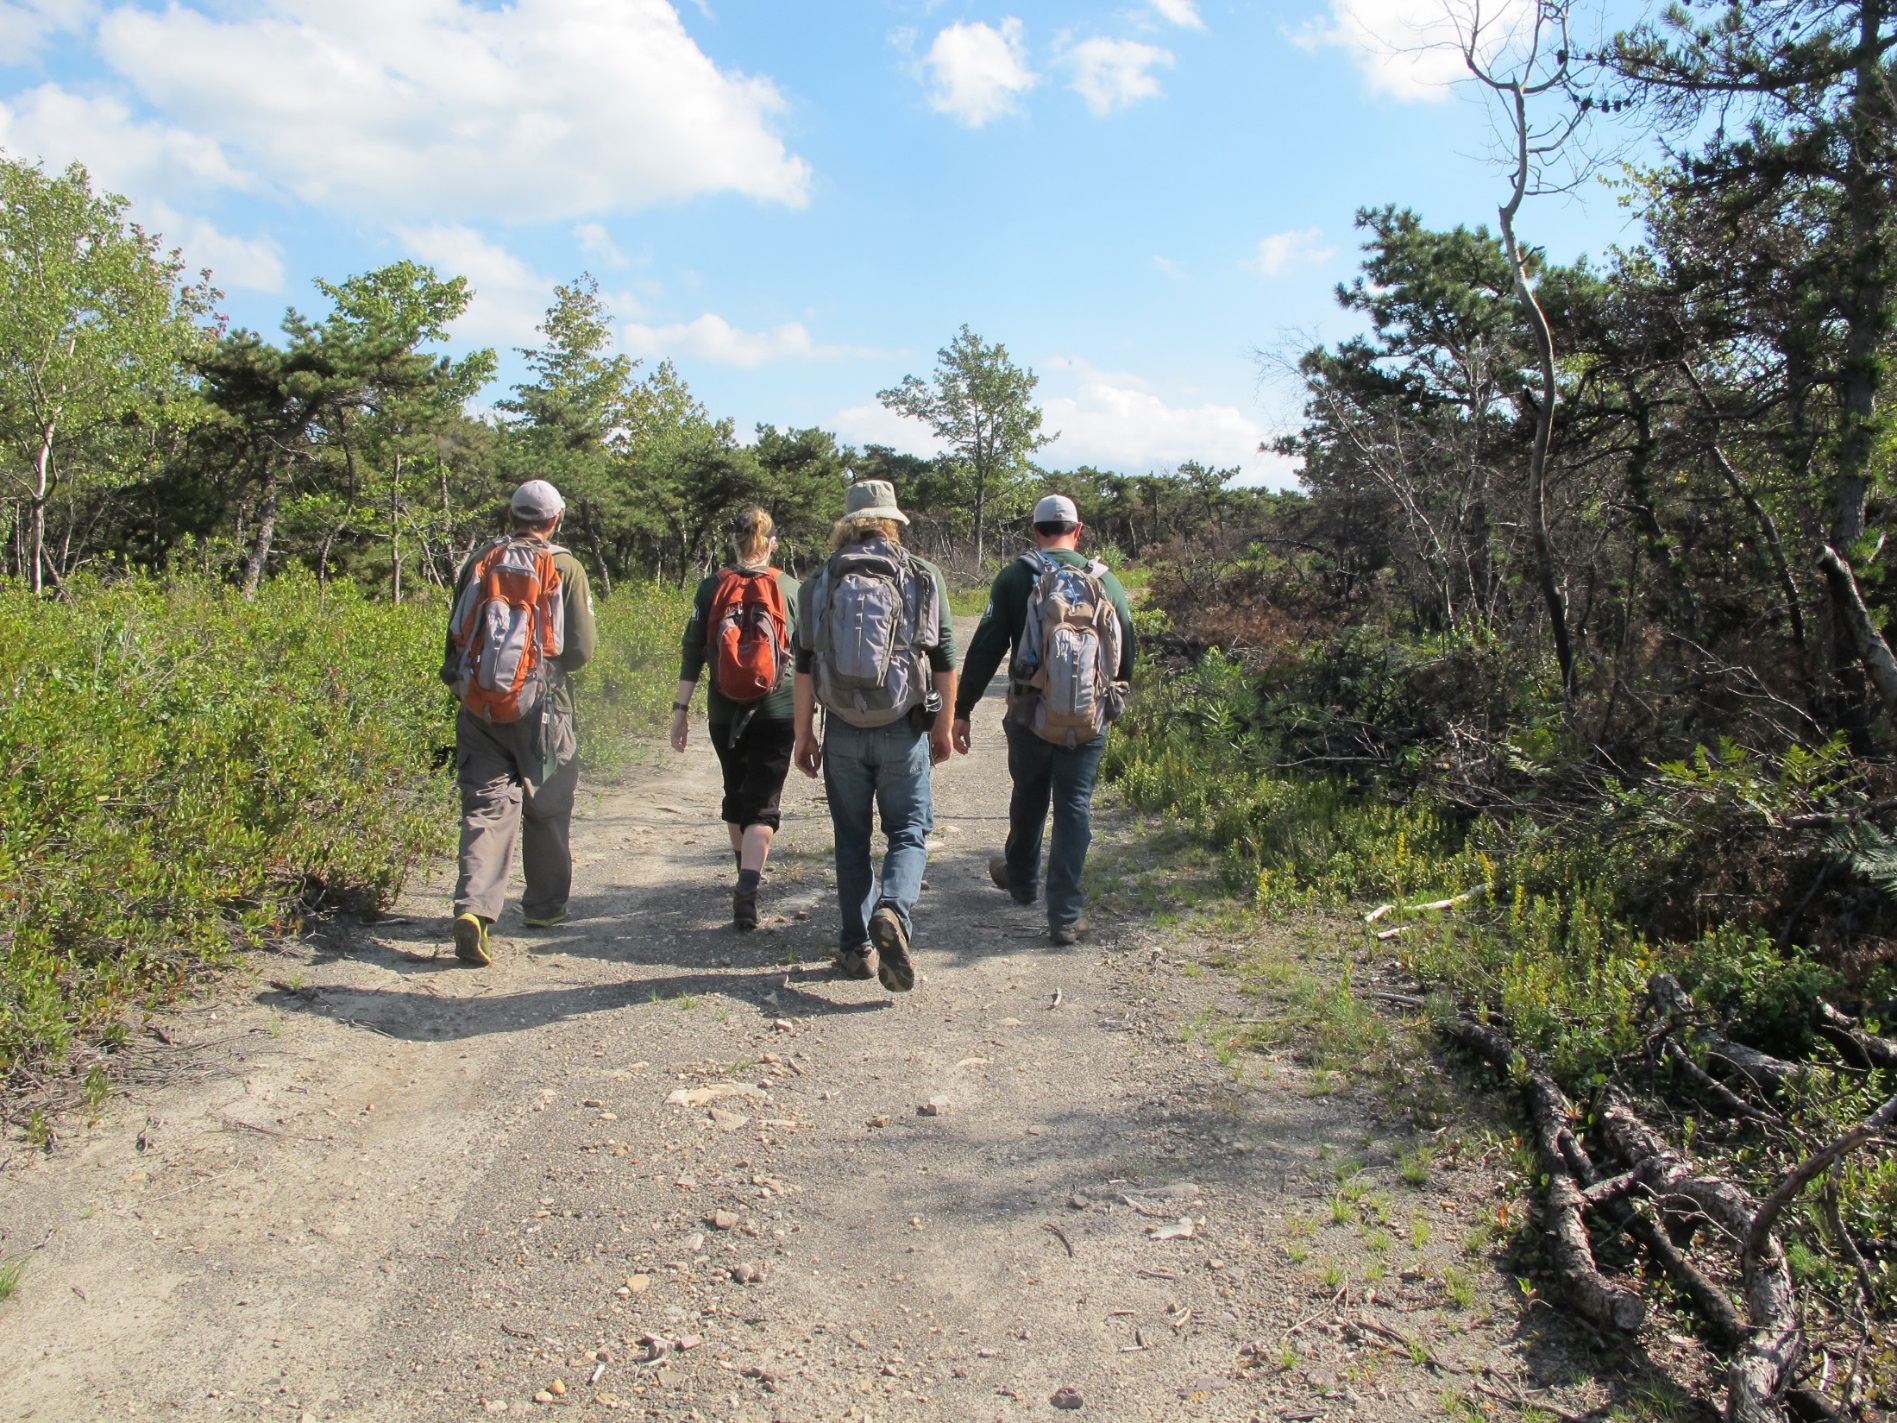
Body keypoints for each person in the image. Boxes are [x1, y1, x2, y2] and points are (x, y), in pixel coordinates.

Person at [793, 480, 957, 992]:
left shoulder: (819, 580)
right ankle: (893, 910)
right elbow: (944, 659)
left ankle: (857, 947)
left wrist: (803, 733)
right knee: (908, 831)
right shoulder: (922, 575)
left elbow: (802, 667)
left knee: (851, 839)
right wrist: (944, 724)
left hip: (841, 728)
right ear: (893, 522)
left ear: (848, 523)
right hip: (902, 727)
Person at [953, 493, 1134, 946]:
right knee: (1074, 806)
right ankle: (1066, 916)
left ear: (1035, 531)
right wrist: (1110, 701)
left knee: (1030, 793)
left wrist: (962, 709)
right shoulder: (1105, 582)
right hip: (1089, 715)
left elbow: (986, 647)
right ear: (1079, 529)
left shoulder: (1017, 576)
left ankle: (1021, 877)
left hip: (1029, 712)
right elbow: (1125, 647)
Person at [442, 479, 597, 966]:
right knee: (548, 806)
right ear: (555, 519)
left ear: (512, 516)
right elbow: (580, 651)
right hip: (544, 709)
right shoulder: (566, 566)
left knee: (486, 809)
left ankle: (475, 910)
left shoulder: (479, 561)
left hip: (480, 705)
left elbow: (457, 635)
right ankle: (544, 908)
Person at [673, 508, 799, 931]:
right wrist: (811, 715)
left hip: (724, 710)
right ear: (773, 543)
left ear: (734, 541)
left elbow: (693, 649)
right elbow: (807, 659)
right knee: (764, 802)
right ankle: (749, 884)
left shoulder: (712, 587)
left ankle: (742, 872)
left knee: (736, 792)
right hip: (778, 709)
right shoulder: (789, 588)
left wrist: (681, 710)